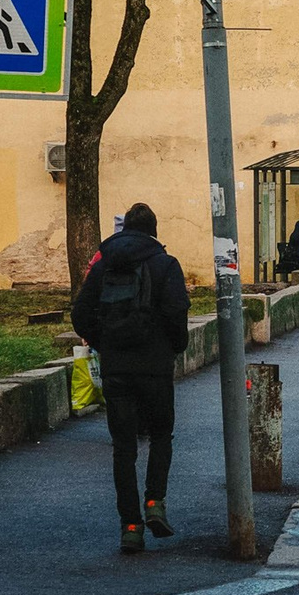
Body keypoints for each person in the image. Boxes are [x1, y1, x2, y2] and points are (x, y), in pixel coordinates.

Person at [71, 202, 191, 554]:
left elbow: (81, 312)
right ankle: (154, 502)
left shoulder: (105, 263)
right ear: (154, 230)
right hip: (154, 367)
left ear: (125, 230)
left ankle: (131, 527)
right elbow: (176, 311)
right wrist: (172, 347)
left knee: (123, 448)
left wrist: (102, 341)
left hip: (116, 368)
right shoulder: (165, 264)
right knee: (160, 435)